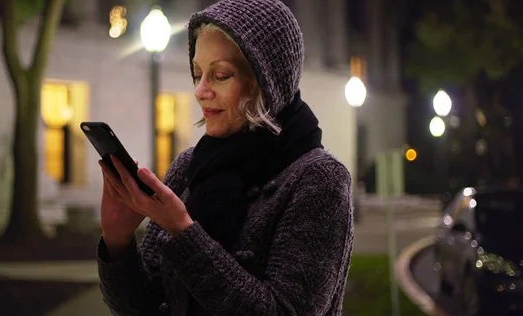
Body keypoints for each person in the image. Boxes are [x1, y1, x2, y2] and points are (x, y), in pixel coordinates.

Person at [96, 0, 354, 315]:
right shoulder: (189, 167)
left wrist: (184, 232)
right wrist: (118, 242)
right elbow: (143, 307)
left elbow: (287, 310)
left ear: (267, 82)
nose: (200, 91)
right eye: (197, 74)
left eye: (220, 75)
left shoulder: (317, 179)